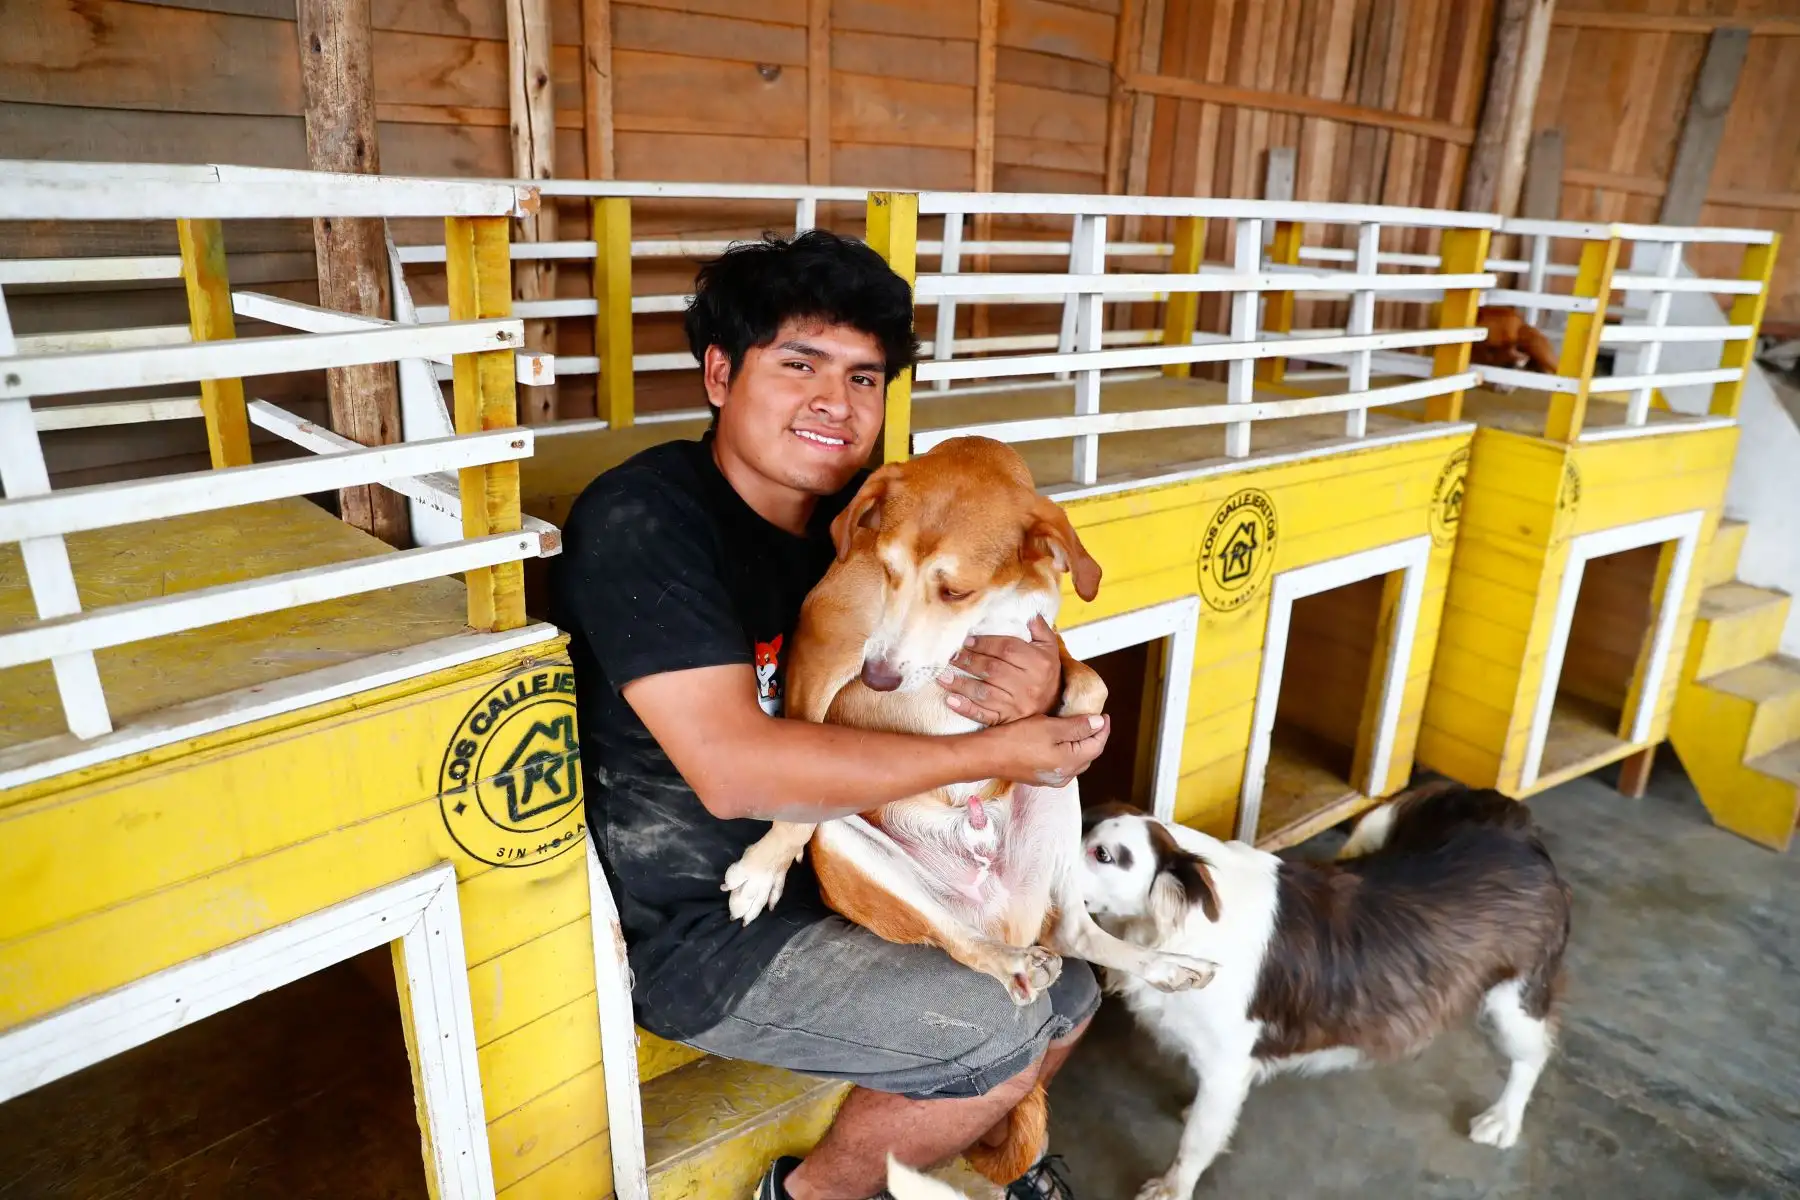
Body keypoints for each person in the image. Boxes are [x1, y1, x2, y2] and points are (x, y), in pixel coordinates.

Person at [548, 229, 1112, 1200]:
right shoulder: (649, 521)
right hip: (717, 928)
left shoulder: (881, 512)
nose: (834, 402)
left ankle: (975, 1151)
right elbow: (734, 769)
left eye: (863, 378)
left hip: (867, 855)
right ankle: (815, 1195)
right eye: (799, 364)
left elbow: (1001, 619)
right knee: (1000, 1024)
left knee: (1081, 989)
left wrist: (1048, 692)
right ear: (721, 373)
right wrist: (997, 747)